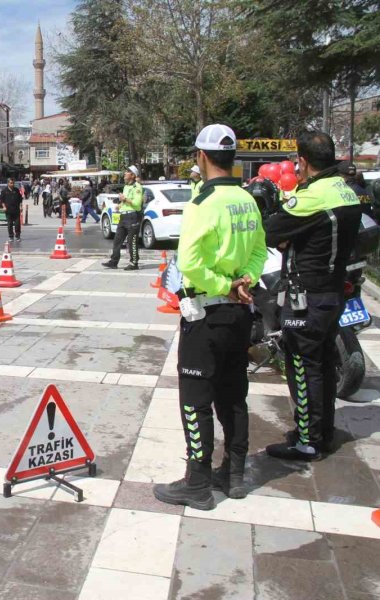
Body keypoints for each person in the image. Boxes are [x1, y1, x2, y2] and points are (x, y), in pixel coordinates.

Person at [153, 124, 267, 510]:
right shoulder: (247, 199)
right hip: (240, 314)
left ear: (201, 158)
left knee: (196, 399)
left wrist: (224, 284)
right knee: (234, 396)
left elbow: (190, 262)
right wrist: (244, 280)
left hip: (207, 314)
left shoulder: (203, 204)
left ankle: (197, 483)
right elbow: (260, 251)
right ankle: (234, 475)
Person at [263, 131, 362, 461]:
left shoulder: (311, 196)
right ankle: (322, 432)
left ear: (302, 162)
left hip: (307, 295)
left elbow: (271, 231)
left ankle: (306, 440)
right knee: (322, 363)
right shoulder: (344, 191)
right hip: (333, 292)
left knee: (303, 367)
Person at [102, 166, 144, 271]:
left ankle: (134, 263)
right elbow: (124, 201)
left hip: (132, 216)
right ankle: (114, 261)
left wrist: (124, 199)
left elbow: (137, 205)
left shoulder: (137, 187)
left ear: (133, 175)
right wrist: (120, 205)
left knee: (131, 241)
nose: (125, 174)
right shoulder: (126, 187)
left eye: (128, 172)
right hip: (123, 216)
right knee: (117, 240)